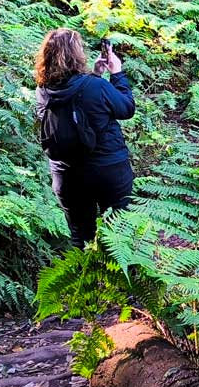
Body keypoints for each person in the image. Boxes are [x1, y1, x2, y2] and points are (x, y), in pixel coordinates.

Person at [34, 28, 136, 247]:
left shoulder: (43, 91)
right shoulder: (97, 87)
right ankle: (120, 279)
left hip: (67, 174)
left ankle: (84, 280)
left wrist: (96, 74)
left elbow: (74, 103)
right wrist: (116, 74)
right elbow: (126, 108)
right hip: (108, 170)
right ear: (76, 54)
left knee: (81, 236)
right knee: (120, 235)